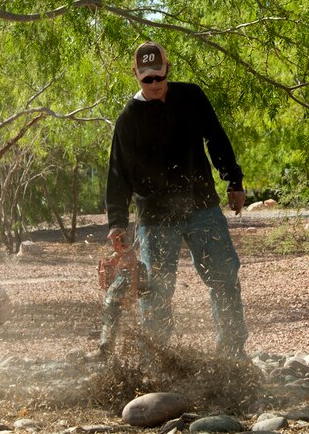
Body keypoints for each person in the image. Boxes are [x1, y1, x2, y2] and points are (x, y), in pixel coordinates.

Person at [105, 41, 248, 359]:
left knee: (224, 279)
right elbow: (118, 176)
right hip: (155, 218)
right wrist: (117, 223)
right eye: (147, 79)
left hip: (202, 207)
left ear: (167, 70)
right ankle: (156, 359)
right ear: (136, 76)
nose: (154, 84)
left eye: (158, 76)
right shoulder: (128, 120)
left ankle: (233, 355)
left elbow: (216, 138)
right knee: (155, 293)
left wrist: (233, 180)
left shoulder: (191, 97)